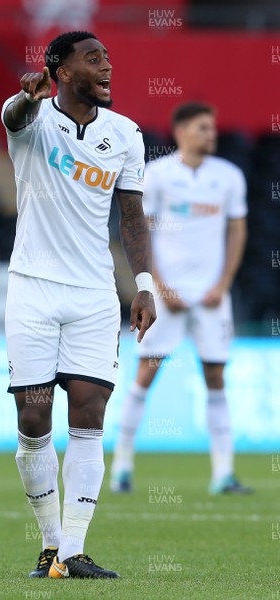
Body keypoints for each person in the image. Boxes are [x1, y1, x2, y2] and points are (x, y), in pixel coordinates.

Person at [1, 31, 156, 579]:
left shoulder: (126, 134)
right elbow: (16, 115)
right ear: (61, 72)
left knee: (89, 412)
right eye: (94, 59)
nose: (107, 67)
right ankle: (49, 544)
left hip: (93, 293)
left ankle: (72, 551)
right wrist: (27, 96)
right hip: (33, 288)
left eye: (108, 58)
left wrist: (143, 284)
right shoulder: (32, 120)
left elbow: (132, 216)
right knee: (34, 415)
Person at [111, 102, 253, 496]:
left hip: (211, 295)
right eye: (204, 128)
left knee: (216, 376)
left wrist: (222, 284)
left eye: (213, 128)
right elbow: (142, 230)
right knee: (146, 373)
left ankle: (223, 473)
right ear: (182, 132)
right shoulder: (157, 176)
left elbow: (237, 231)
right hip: (165, 295)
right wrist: (160, 284)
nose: (212, 134)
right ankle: (122, 467)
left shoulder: (228, 177)